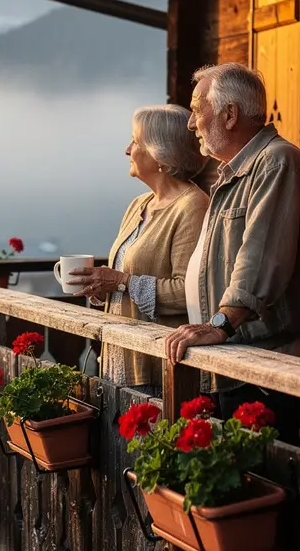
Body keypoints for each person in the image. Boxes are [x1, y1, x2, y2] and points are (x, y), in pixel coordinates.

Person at [165, 63, 300, 446]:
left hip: (264, 365)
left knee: (265, 485)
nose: (191, 124)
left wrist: (220, 324)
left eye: (196, 109)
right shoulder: (234, 173)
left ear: (230, 114)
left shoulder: (277, 162)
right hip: (235, 362)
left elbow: (261, 259)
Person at [67, 104, 208, 395]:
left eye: (135, 141)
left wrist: (120, 281)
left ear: (160, 153)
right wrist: (99, 288)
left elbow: (188, 292)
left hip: (157, 368)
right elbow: (123, 281)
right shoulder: (138, 205)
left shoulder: (192, 206)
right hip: (117, 358)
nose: (127, 150)